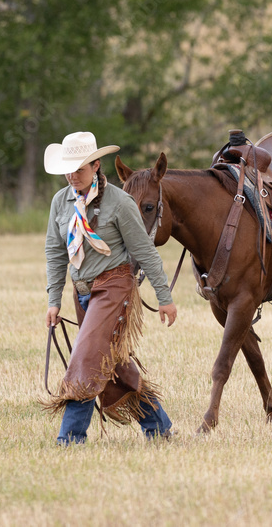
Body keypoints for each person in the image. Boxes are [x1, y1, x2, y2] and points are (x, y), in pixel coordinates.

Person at [41, 131, 178, 445]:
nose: (72, 175)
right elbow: (54, 251)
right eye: (68, 169)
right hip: (82, 290)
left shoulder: (119, 201)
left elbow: (144, 250)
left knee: (86, 357)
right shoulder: (60, 202)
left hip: (115, 286)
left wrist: (164, 297)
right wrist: (53, 300)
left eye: (80, 168)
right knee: (112, 363)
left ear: (96, 166)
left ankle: (70, 437)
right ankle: (159, 428)